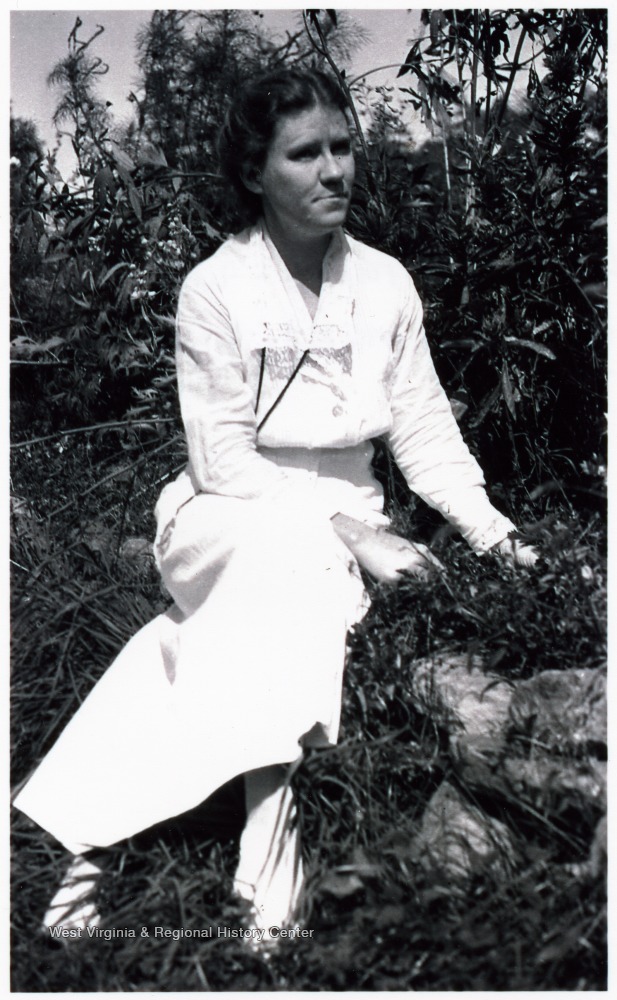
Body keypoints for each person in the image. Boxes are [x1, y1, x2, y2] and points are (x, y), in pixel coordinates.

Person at [13, 68, 537, 944]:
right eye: (305, 153)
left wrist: (504, 544)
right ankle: (271, 849)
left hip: (337, 532)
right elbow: (220, 461)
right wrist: (346, 528)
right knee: (275, 554)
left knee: (193, 639)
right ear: (256, 172)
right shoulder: (214, 290)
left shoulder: (384, 285)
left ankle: (92, 851)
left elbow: (426, 436)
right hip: (215, 516)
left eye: (341, 147)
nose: (333, 170)